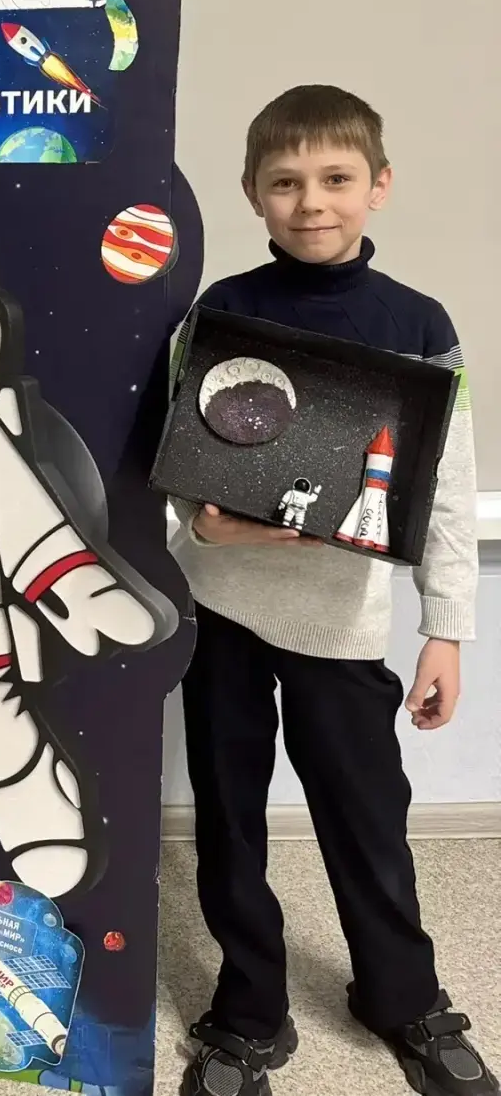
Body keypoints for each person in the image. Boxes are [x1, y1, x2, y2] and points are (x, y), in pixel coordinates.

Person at [171, 86, 495, 1096]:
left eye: (335, 178)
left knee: (365, 818)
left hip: (342, 623)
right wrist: (203, 525)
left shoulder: (416, 323)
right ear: (252, 194)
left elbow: (446, 488)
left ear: (377, 185)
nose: (310, 201)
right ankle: (247, 1011)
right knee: (228, 818)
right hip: (221, 609)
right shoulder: (217, 310)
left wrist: (445, 629)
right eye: (285, 182)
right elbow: (175, 461)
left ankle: (402, 996)